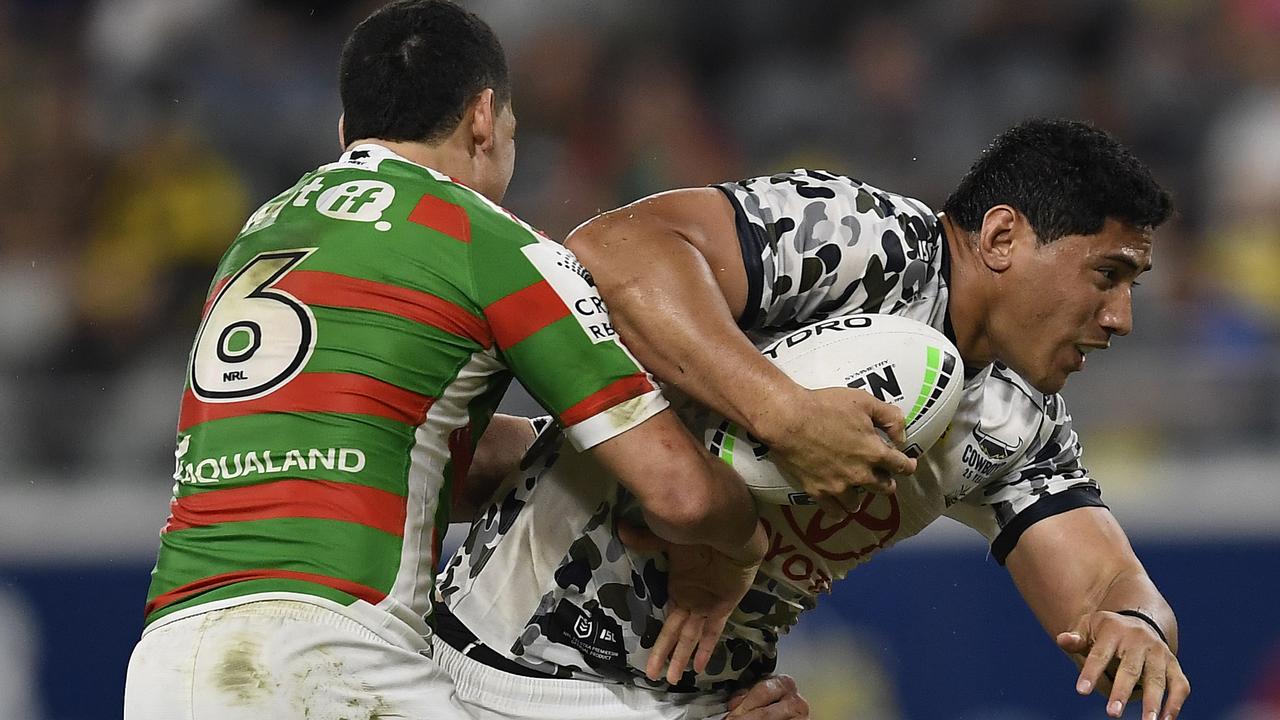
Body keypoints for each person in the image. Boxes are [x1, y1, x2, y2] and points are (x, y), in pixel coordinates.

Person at [122, 2, 817, 717]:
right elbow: (683, 496)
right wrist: (744, 538)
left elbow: (401, 452)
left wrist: (563, 461)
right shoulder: (495, 246)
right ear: (484, 117)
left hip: (166, 660)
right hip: (329, 656)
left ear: (346, 132)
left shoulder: (262, 230)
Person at [434, 118, 1190, 720]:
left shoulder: (1019, 420)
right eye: (1108, 274)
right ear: (1000, 238)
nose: (1121, 318)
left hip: (704, 701)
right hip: (506, 668)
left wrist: (1139, 627)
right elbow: (615, 248)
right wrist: (784, 414)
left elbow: (1107, 585)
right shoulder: (868, 243)